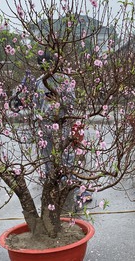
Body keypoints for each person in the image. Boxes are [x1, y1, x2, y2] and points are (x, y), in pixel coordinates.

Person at [33, 53, 91, 205]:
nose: (46, 69)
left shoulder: (65, 80)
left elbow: (72, 103)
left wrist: (59, 99)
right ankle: (52, 185)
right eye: (42, 66)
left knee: (66, 156)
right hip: (44, 124)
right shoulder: (39, 82)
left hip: (61, 123)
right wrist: (37, 122)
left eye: (48, 65)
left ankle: (76, 187)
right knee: (47, 157)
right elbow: (35, 104)